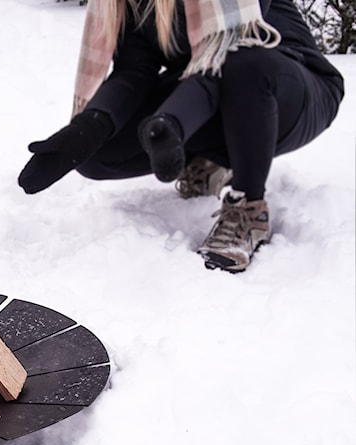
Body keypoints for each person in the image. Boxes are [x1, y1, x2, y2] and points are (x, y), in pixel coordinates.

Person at [18, 0, 344, 272]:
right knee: (101, 153)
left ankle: (248, 208)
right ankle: (207, 158)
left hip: (289, 89)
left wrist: (173, 120)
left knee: (242, 63)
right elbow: (134, 72)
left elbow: (225, 53)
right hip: (207, 95)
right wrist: (87, 130)